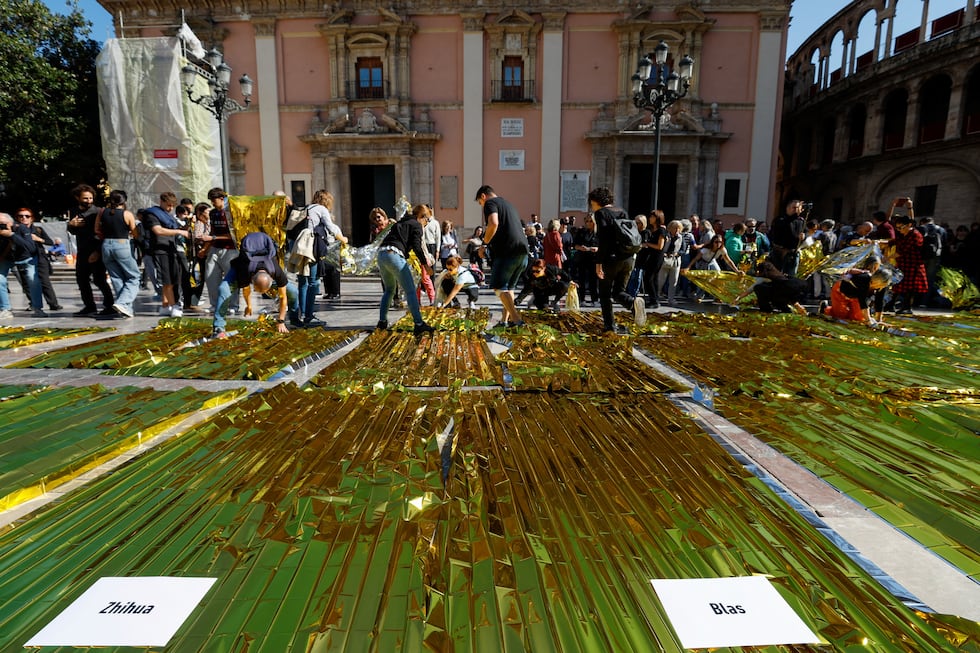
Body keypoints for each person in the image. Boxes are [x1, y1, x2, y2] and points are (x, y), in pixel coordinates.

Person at [211, 231, 299, 338]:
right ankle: (219, 326)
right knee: (224, 289)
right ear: (252, 280)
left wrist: (281, 320)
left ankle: (295, 319)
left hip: (262, 271)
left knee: (293, 291)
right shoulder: (244, 270)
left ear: (272, 280)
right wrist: (249, 306)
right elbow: (246, 289)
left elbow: (282, 296)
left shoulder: (276, 270)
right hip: (239, 267)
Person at [374, 203, 436, 335]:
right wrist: (426, 265)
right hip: (394, 255)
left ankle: (382, 321)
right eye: (427, 220)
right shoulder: (416, 225)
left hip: (382, 255)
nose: (427, 223)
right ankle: (419, 324)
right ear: (422, 216)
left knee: (389, 290)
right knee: (411, 291)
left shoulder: (401, 222)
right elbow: (417, 247)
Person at [590, 186, 645, 332]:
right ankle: (633, 303)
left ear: (596, 201)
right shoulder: (622, 211)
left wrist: (598, 263)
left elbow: (604, 240)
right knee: (618, 291)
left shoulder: (601, 213)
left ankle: (610, 326)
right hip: (628, 258)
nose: (592, 206)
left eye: (592, 203)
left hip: (611, 259)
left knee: (605, 294)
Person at [474, 185, 529, 328]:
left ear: (483, 196)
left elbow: (493, 223)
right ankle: (504, 321)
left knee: (498, 287)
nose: (482, 205)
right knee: (509, 288)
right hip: (523, 251)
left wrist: (484, 244)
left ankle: (516, 320)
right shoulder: (508, 204)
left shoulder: (490, 203)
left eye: (480, 202)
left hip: (507, 251)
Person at [67, 183, 114, 316]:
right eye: (85, 198)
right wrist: (71, 225)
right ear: (77, 198)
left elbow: (104, 233)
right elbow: (73, 231)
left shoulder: (98, 211)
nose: (88, 201)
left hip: (96, 249)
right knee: (81, 279)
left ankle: (109, 305)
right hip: (82, 250)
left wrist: (97, 251)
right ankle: (89, 306)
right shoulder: (74, 211)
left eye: (90, 198)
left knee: (99, 279)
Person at [94, 190, 141, 318]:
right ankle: (122, 303)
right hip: (122, 244)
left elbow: (96, 229)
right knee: (134, 276)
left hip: (106, 245)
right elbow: (135, 233)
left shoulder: (102, 212)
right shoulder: (127, 214)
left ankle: (126, 309)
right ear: (124, 201)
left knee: (116, 277)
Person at [142, 191, 189, 318]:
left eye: (172, 206)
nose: (170, 208)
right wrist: (179, 232)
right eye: (168, 205)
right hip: (160, 250)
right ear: (161, 201)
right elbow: (158, 230)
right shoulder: (152, 214)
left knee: (172, 278)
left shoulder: (167, 216)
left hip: (170, 248)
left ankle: (165, 305)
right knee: (168, 280)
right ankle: (174, 305)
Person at [0, 212, 45, 319]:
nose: (1, 227)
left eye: (2, 224)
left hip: (26, 257)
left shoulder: (21, 228)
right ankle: (5, 309)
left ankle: (37, 308)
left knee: (32, 279)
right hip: (7, 258)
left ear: (10, 223)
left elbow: (30, 247)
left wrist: (11, 235)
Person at [15, 209, 61, 311]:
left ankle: (53, 303)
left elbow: (50, 242)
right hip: (23, 258)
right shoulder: (15, 230)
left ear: (32, 218)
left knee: (44, 281)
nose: (24, 218)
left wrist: (38, 239)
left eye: (27, 216)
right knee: (26, 283)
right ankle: (33, 303)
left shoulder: (38, 229)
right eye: (21, 216)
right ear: (17, 218)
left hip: (39, 258)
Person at [818, 267, 892, 325]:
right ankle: (825, 308)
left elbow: (879, 301)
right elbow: (863, 302)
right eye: (874, 283)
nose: (874, 286)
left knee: (858, 318)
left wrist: (879, 320)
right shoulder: (864, 279)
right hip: (841, 292)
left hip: (856, 297)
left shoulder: (882, 286)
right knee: (840, 317)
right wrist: (869, 321)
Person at [310, 190, 348, 300]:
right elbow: (332, 229)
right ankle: (332, 292)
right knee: (329, 270)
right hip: (327, 247)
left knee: (330, 270)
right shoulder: (322, 210)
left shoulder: (310, 209)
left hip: (320, 246)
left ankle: (333, 292)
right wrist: (344, 239)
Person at [735, 260, 806, 314]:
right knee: (775, 292)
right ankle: (786, 310)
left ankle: (766, 310)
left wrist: (738, 298)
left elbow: (749, 290)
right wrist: (797, 305)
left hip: (779, 295)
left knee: (758, 288)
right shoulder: (778, 275)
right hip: (791, 293)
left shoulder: (764, 278)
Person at [890, 214, 928, 314]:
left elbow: (903, 250)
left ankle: (907, 307)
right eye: (897, 228)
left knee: (910, 288)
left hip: (913, 264)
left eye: (901, 227)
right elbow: (895, 242)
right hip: (903, 264)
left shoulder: (915, 235)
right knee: (897, 285)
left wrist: (887, 258)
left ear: (909, 225)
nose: (899, 230)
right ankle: (890, 305)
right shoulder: (903, 235)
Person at [770, 199, 806, 275]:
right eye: (794, 207)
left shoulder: (801, 221)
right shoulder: (780, 220)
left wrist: (803, 237)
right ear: (788, 208)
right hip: (780, 252)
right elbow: (780, 236)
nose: (796, 210)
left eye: (798, 208)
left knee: (791, 275)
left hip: (794, 252)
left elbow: (804, 233)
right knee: (777, 274)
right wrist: (796, 237)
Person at [572, 213, 599, 306]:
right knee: (581, 279)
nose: (588, 223)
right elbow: (574, 245)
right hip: (582, 258)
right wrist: (580, 248)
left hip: (594, 259)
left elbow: (603, 246)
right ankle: (581, 299)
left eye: (590, 221)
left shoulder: (598, 233)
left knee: (593, 280)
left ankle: (594, 299)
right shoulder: (581, 231)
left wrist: (597, 249)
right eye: (586, 221)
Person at [658, 220, 685, 306]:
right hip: (665, 260)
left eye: (678, 228)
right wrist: (664, 253)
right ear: (670, 228)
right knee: (661, 280)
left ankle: (671, 299)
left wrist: (677, 253)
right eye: (675, 228)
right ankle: (657, 296)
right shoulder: (666, 236)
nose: (677, 230)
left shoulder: (681, 237)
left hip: (675, 261)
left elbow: (683, 250)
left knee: (674, 281)